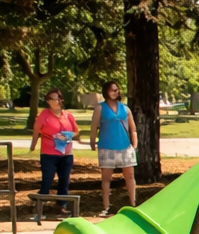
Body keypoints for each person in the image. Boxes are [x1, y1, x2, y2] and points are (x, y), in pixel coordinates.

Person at [88, 81, 138, 216]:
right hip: (107, 147)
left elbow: (132, 128)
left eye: (116, 90)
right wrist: (92, 141)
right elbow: (94, 127)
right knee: (106, 178)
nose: (115, 93)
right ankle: (106, 206)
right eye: (112, 90)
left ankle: (133, 203)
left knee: (130, 175)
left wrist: (135, 142)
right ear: (106, 92)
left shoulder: (125, 109)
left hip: (125, 147)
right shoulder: (100, 108)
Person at [28, 89, 79, 218]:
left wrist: (68, 136)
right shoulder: (44, 115)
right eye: (52, 99)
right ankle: (39, 209)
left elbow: (76, 131)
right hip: (49, 153)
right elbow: (36, 130)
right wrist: (33, 145)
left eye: (57, 99)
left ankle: (62, 207)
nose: (55, 101)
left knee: (64, 181)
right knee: (47, 180)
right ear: (48, 101)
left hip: (66, 153)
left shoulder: (68, 115)